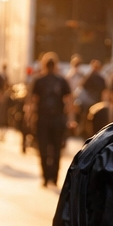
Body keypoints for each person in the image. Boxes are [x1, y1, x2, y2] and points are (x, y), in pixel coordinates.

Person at [29, 52, 71, 186]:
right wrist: (70, 118)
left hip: (42, 119)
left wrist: (29, 117)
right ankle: (55, 177)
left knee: (43, 149)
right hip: (58, 119)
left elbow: (33, 102)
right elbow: (69, 101)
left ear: (43, 65)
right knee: (57, 149)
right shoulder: (62, 80)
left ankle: (45, 177)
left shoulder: (38, 80)